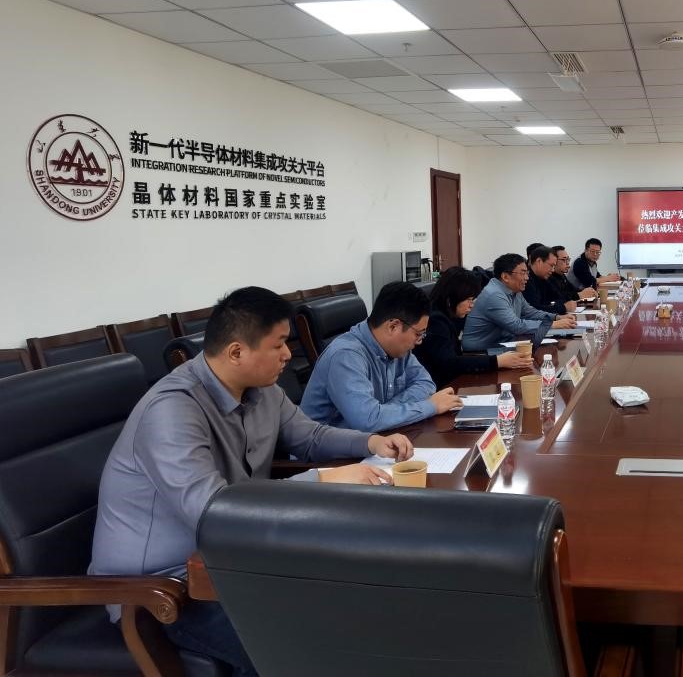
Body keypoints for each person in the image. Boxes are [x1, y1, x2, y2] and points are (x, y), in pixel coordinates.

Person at [90, 287, 415, 676]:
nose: (288, 354)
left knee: (349, 603)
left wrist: (370, 441)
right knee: (291, 645)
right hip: (162, 590)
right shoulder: (171, 411)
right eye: (278, 344)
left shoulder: (262, 390)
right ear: (236, 353)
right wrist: (324, 478)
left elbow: (309, 436)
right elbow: (214, 511)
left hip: (232, 562)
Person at [301, 281, 462, 431]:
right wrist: (430, 406)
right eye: (418, 334)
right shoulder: (346, 356)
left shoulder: (399, 350)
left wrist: (386, 412)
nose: (419, 341)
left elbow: (425, 383)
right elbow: (368, 420)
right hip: (330, 450)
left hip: (376, 439)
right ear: (393, 327)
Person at [416, 267, 533, 388]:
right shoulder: (435, 321)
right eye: (468, 300)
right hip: (438, 388)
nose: (471, 305)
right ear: (451, 299)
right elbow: (449, 363)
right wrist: (498, 361)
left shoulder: (450, 316)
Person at [464, 253, 576, 351]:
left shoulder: (515, 290)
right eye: (523, 273)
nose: (527, 278)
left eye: (527, 273)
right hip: (480, 352)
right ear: (505, 276)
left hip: (502, 344)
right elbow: (516, 325)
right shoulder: (494, 295)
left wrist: (556, 317)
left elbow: (530, 312)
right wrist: (552, 324)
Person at [523, 245, 577, 314]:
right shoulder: (526, 280)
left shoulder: (544, 278)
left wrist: (553, 305)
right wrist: (563, 307)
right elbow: (534, 310)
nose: (552, 270)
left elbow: (560, 298)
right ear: (539, 261)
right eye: (551, 265)